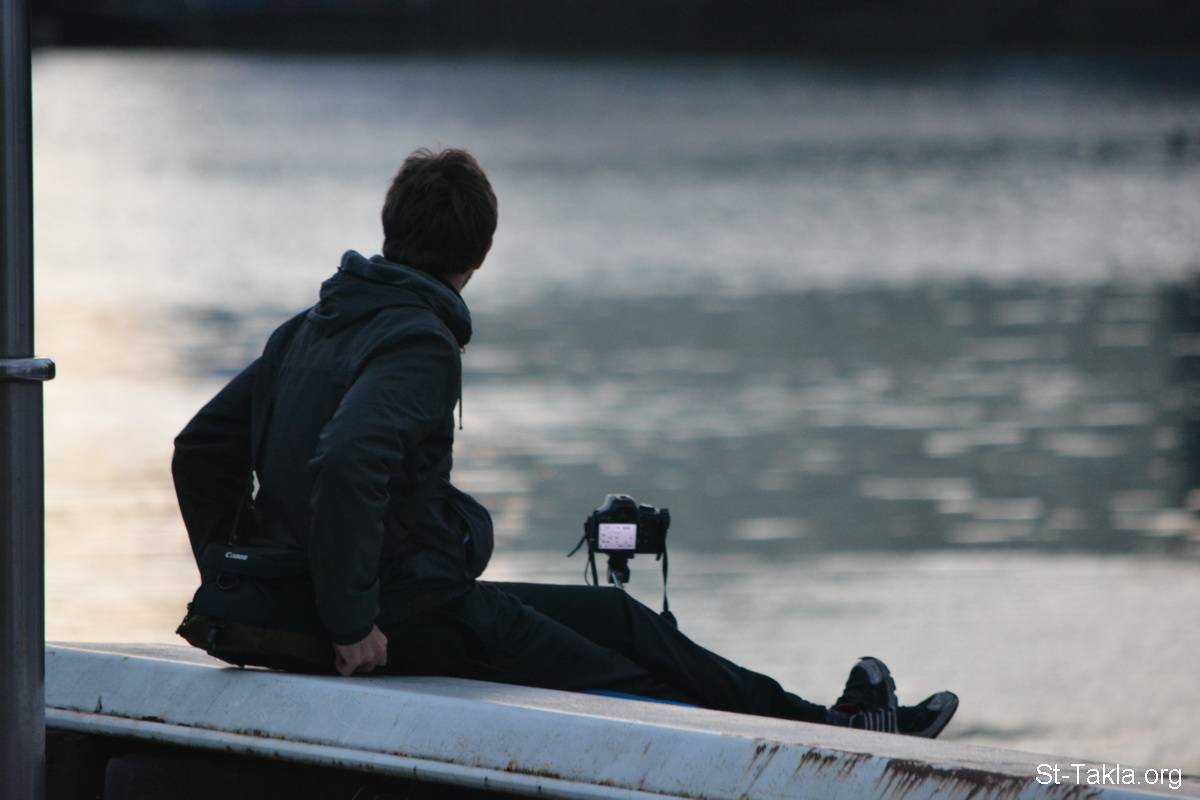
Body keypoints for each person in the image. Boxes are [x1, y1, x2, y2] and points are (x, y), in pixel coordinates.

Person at [172, 147, 958, 738]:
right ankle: (826, 738)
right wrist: (347, 623)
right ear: (478, 254)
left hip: (373, 602)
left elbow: (200, 450)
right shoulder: (417, 341)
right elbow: (350, 459)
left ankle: (828, 721)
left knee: (617, 618)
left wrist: (248, 584)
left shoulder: (309, 329)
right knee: (627, 671)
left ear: (392, 230)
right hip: (405, 615)